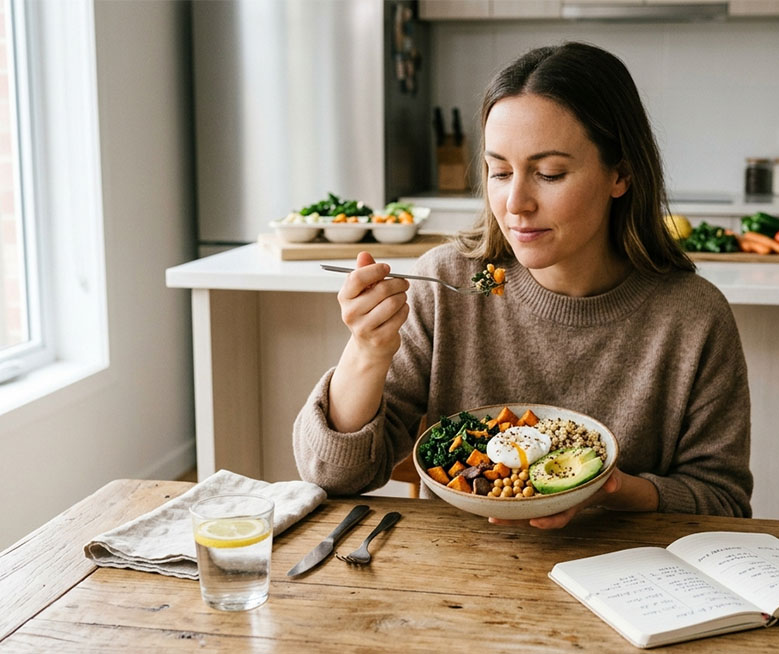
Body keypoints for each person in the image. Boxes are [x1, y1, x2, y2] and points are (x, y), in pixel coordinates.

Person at [293, 42, 752, 528]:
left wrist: (605, 490)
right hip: (456, 578)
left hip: (628, 579)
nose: (515, 203)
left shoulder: (694, 316)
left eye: (549, 173)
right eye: (500, 171)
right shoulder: (449, 284)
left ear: (620, 174)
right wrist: (366, 350)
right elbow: (330, 475)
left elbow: (722, 500)